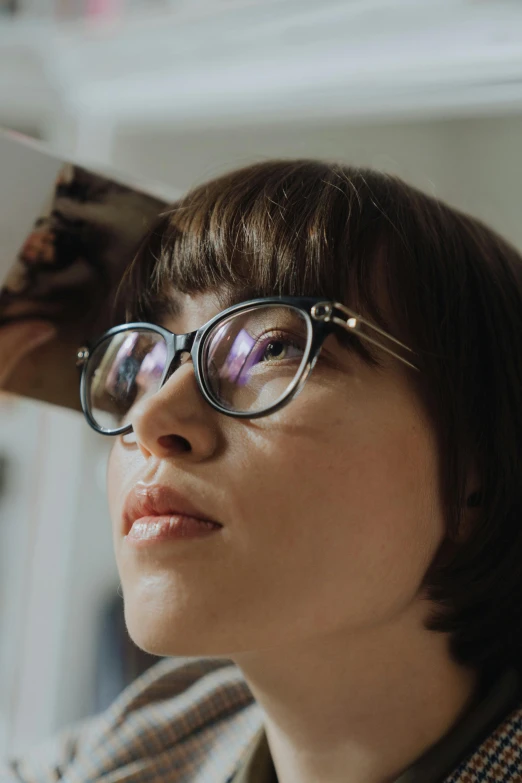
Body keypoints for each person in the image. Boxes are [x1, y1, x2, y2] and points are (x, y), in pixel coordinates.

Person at [2, 159, 522, 783]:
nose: (150, 418)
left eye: (270, 348)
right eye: (140, 364)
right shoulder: (158, 736)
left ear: (479, 470)